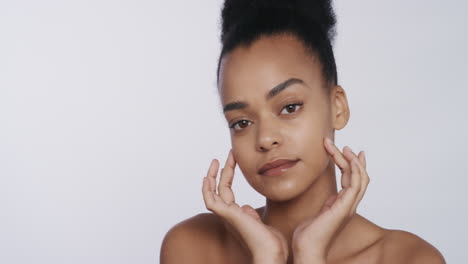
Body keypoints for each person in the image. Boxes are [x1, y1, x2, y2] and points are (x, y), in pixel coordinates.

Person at [160, 0, 445, 263]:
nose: (265, 139)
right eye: (242, 123)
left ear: (337, 107)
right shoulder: (194, 248)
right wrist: (267, 257)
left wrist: (310, 253)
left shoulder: (408, 258)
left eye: (290, 107)